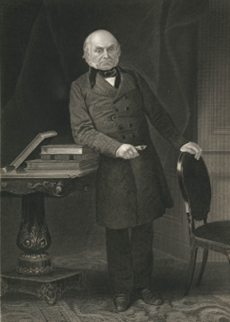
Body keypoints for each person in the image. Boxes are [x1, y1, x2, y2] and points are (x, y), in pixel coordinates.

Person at [69, 29, 202, 312]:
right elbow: (82, 132)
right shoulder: (79, 87)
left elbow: (158, 114)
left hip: (143, 164)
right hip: (111, 169)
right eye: (98, 50)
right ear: (86, 55)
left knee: (144, 228)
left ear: (119, 51)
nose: (106, 55)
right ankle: (120, 290)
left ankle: (143, 285)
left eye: (111, 49)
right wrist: (116, 148)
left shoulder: (134, 78)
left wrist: (182, 143)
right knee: (117, 231)